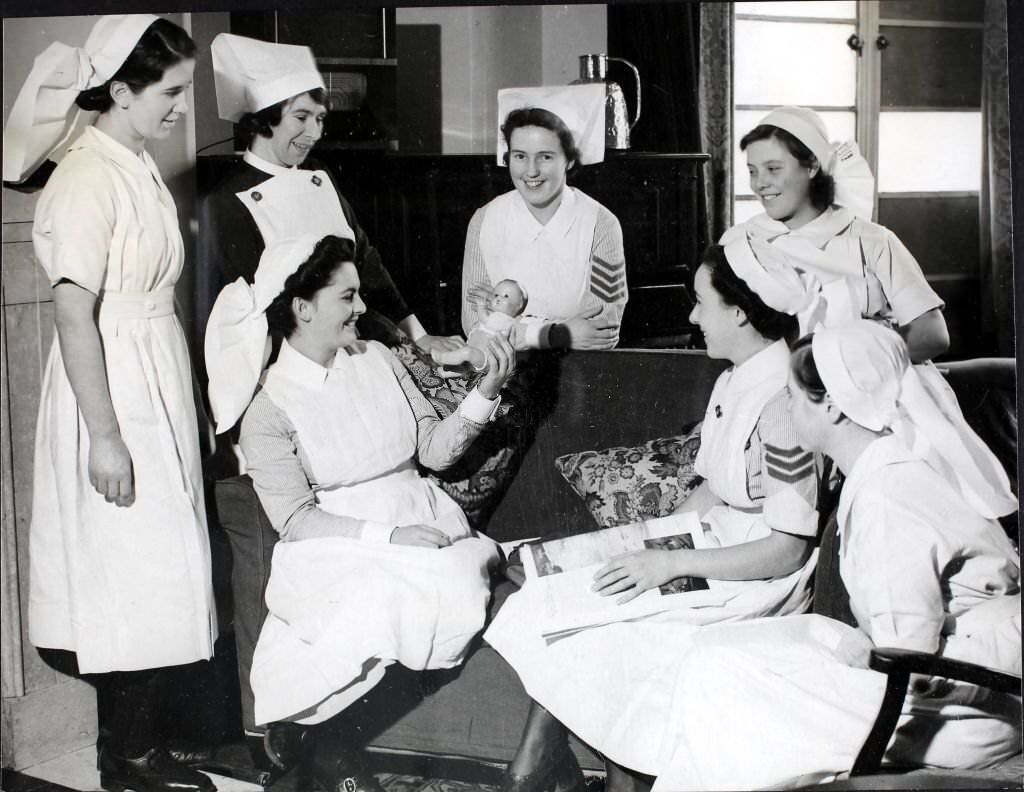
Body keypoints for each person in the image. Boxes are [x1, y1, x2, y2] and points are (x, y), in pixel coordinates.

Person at [484, 237, 822, 792]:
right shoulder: (734, 377)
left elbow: (788, 548)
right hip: (710, 542)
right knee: (555, 587)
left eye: (701, 302)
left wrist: (666, 564)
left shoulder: (784, 406)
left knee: (607, 630)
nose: (693, 316)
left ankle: (559, 770)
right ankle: (562, 767)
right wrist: (640, 542)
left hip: (757, 571)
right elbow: (712, 488)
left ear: (738, 311)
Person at [649, 321, 1020, 791]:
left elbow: (908, 656)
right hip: (934, 667)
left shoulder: (890, 497)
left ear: (835, 405)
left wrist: (852, 654)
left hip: (960, 709)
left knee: (722, 680)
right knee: (712, 650)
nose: (780, 407)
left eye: (791, 394)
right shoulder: (882, 467)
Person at [204, 233, 514, 791]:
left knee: (456, 581)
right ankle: (330, 746)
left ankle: (326, 745)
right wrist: (390, 537)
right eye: (347, 297)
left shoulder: (379, 359)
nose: (364, 308)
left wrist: (485, 392)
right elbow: (296, 519)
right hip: (337, 542)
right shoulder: (269, 407)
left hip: (423, 514)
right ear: (302, 308)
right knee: (396, 596)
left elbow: (433, 452)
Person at [2, 15, 217, 792]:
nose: (180, 109)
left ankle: (131, 745)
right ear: (120, 90)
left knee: (157, 567)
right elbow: (72, 312)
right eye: (169, 91)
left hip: (151, 367)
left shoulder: (132, 160)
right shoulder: (87, 175)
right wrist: (106, 437)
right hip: (111, 384)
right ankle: (127, 759)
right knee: (131, 565)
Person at [206, 32, 457, 357]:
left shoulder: (318, 175)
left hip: (357, 339)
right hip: (293, 359)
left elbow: (366, 262)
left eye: (320, 118)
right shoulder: (230, 199)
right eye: (301, 117)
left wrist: (418, 336)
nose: (314, 133)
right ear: (266, 117)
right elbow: (251, 313)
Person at [721, 105, 949, 364]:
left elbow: (932, 334)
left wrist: (844, 370)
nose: (759, 184)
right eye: (753, 171)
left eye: (773, 169)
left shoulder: (872, 241)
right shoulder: (740, 242)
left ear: (812, 166)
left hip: (870, 381)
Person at [461, 84, 627, 350]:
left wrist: (513, 331)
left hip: (579, 372)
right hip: (504, 372)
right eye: (520, 156)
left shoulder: (600, 224)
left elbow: (603, 329)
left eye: (546, 157)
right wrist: (556, 335)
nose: (531, 171)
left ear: (569, 160)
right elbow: (475, 326)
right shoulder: (485, 221)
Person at [434, 278, 528, 372]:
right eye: (496, 295)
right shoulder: (496, 316)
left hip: (485, 357)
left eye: (506, 296)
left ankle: (442, 358)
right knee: (463, 354)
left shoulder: (504, 319)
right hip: (478, 353)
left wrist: (481, 306)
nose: (498, 298)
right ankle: (449, 371)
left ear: (519, 305)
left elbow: (484, 318)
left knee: (467, 353)